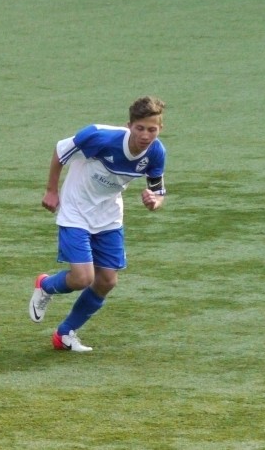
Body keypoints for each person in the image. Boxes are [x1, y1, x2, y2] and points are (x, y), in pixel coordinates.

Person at [29, 96, 167, 352]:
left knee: (106, 281)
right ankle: (45, 285)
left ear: (160, 129)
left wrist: (154, 201)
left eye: (152, 129)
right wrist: (51, 190)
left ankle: (65, 334)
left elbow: (157, 191)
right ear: (129, 125)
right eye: (140, 128)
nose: (146, 135)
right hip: (76, 210)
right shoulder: (98, 136)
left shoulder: (156, 152)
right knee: (82, 278)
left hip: (109, 216)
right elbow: (60, 153)